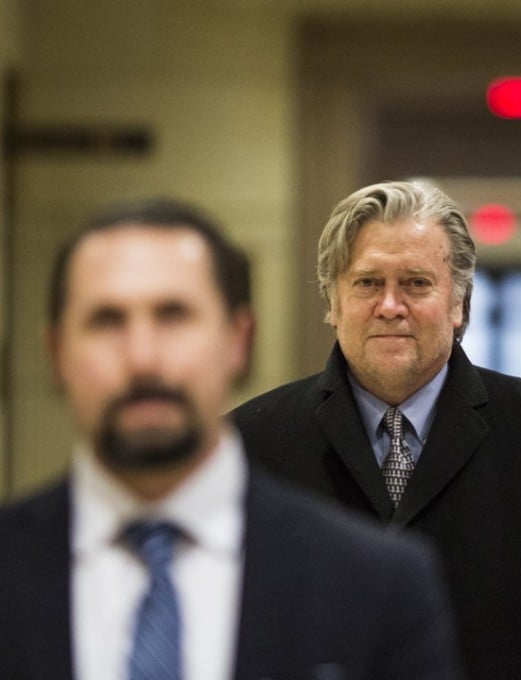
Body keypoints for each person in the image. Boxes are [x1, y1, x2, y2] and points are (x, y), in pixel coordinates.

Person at [0, 198, 461, 680]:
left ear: (239, 342)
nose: (143, 357)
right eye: (107, 321)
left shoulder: (375, 584)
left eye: (174, 316)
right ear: (55, 353)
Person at [232, 180, 521, 680]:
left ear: (460, 302)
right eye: (368, 283)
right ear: (332, 302)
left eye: (417, 283)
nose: (391, 306)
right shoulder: (250, 445)